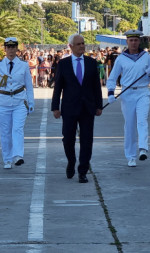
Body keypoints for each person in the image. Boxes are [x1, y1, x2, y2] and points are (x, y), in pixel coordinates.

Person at [51, 33, 103, 183]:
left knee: (87, 140)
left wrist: (99, 106)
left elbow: (96, 87)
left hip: (87, 108)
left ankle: (83, 171)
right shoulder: (63, 64)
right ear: (71, 46)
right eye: (79, 44)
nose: (82, 46)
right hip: (69, 108)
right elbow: (58, 87)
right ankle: (71, 161)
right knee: (68, 139)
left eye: (83, 43)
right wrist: (55, 107)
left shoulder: (91, 63)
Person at [106, 29, 150, 167]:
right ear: (127, 41)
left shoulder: (146, 56)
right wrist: (111, 93)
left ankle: (143, 148)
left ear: (139, 41)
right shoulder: (121, 58)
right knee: (129, 125)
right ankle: (130, 156)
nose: (134, 43)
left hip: (143, 92)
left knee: (142, 120)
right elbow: (112, 77)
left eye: (136, 40)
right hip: (127, 93)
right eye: (131, 40)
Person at [0, 37, 35, 169]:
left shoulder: (23, 65)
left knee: (17, 129)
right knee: (5, 132)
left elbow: (29, 85)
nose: (10, 50)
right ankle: (7, 159)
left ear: (17, 49)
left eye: (13, 47)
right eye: (8, 47)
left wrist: (31, 102)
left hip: (19, 101)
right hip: (2, 102)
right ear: (4, 49)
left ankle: (17, 156)